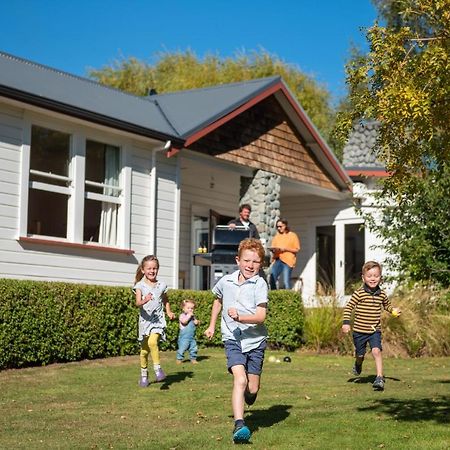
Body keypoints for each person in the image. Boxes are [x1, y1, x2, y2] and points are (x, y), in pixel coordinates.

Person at [204, 238, 268, 444]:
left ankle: (249, 397)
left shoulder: (260, 284)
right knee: (240, 380)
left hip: (255, 340)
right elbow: (217, 300)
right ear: (237, 260)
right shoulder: (226, 281)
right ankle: (239, 424)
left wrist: (241, 317)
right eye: (247, 260)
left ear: (261, 264)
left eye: (255, 262)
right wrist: (212, 325)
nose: (250, 265)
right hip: (232, 337)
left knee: (252, 388)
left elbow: (260, 316)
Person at [341, 261, 401, 391]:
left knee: (376, 351)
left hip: (374, 330)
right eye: (369, 276)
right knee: (360, 355)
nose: (373, 278)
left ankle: (379, 377)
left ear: (380, 278)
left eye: (376, 276)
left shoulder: (382, 294)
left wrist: (393, 311)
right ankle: (358, 363)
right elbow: (348, 308)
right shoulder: (359, 293)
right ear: (363, 278)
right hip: (359, 331)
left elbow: (387, 305)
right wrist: (346, 323)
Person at [134, 255, 175, 387]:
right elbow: (137, 303)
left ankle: (158, 370)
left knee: (153, 342)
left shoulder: (161, 285)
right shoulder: (139, 286)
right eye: (149, 268)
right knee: (144, 352)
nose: (152, 271)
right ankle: (144, 376)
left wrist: (168, 311)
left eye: (155, 268)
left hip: (158, 321)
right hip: (145, 322)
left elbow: (165, 299)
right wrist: (144, 300)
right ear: (143, 270)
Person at [269, 219, 300, 289]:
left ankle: (288, 298)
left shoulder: (292, 235)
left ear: (285, 225)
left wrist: (285, 249)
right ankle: (274, 296)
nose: (279, 228)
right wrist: (273, 250)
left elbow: (296, 249)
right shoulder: (276, 237)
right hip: (278, 259)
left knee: (286, 281)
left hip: (288, 261)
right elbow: (273, 247)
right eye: (277, 227)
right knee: (272, 279)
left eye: (280, 226)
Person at [176, 299, 200, 364]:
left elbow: (195, 323)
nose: (190, 310)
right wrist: (189, 316)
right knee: (182, 348)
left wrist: (197, 322)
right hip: (184, 338)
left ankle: (193, 358)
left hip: (192, 337)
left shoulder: (193, 316)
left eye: (192, 308)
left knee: (194, 348)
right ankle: (179, 359)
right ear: (183, 309)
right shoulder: (182, 316)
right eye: (188, 308)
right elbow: (184, 322)